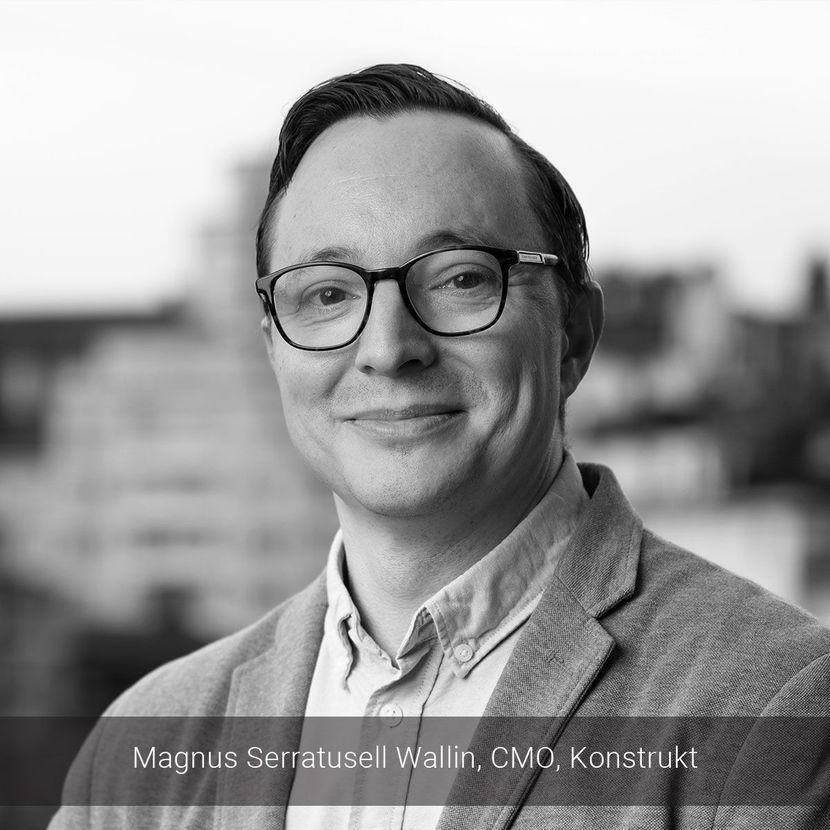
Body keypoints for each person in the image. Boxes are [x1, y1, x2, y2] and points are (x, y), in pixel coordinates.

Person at [50, 64, 830, 829]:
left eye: (460, 280)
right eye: (327, 293)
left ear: (574, 336)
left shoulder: (776, 708)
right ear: (275, 350)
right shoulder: (142, 749)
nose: (388, 348)